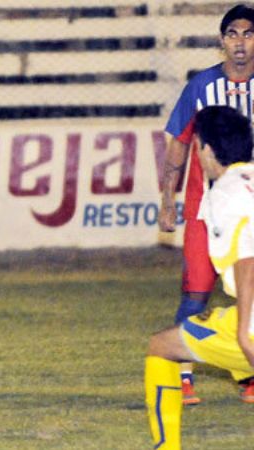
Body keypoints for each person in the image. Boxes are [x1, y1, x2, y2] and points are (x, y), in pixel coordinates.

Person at [157, 3, 254, 405]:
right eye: (232, 34)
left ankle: (249, 376)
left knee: (247, 290)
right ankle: (183, 378)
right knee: (197, 290)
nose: (240, 43)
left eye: (248, 34)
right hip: (207, 207)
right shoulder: (200, 87)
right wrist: (168, 200)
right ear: (221, 41)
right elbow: (178, 145)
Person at [146, 105, 254, 449]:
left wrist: (244, 333)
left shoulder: (224, 193)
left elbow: (247, 259)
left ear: (206, 149)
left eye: (196, 146)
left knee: (161, 347)